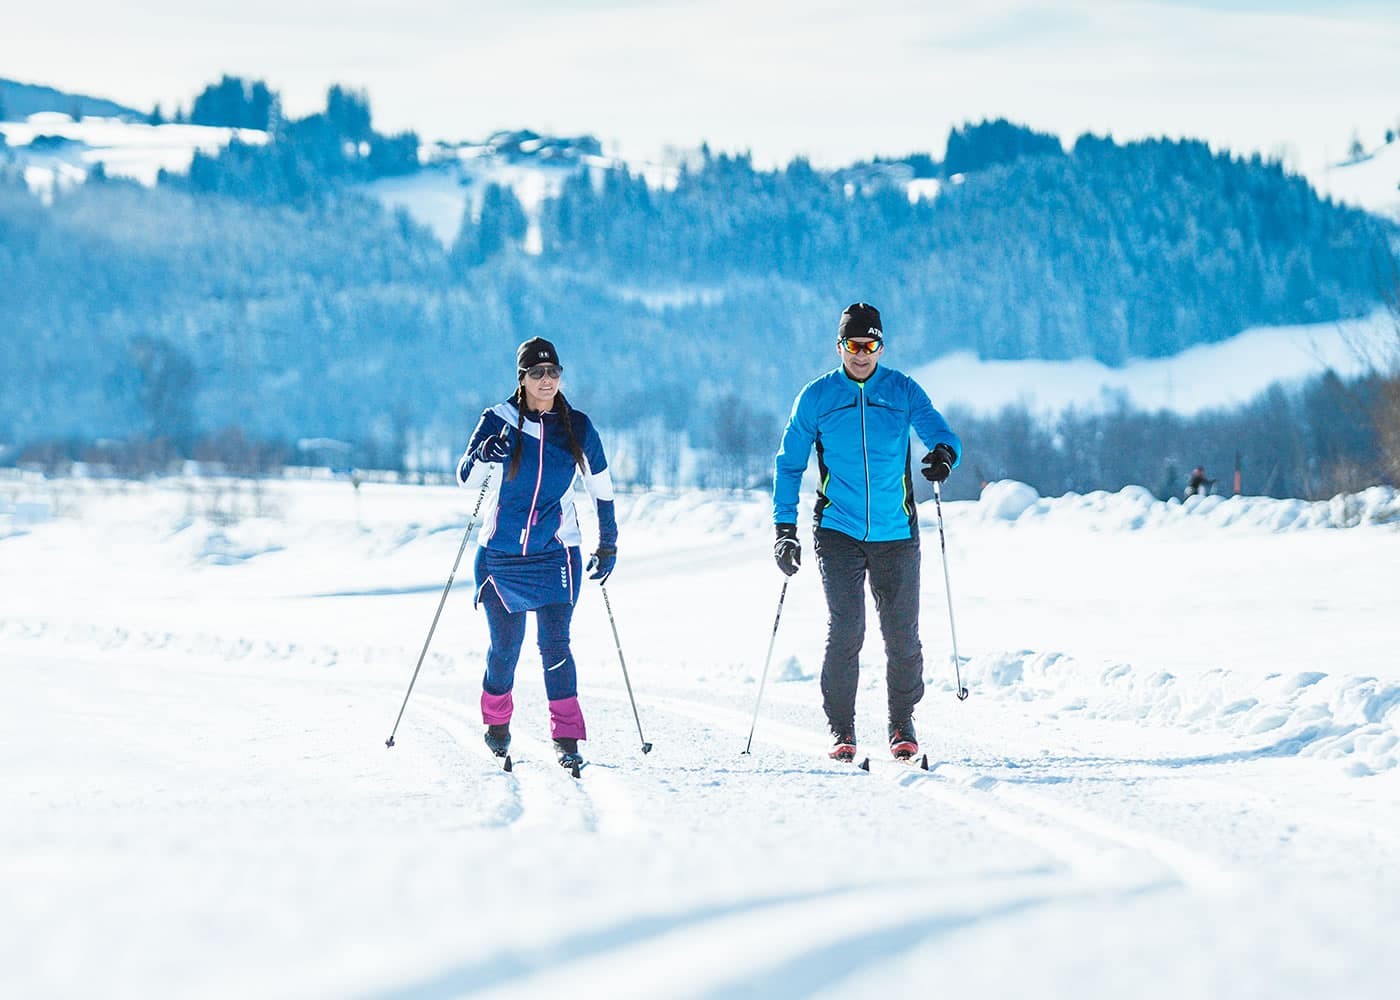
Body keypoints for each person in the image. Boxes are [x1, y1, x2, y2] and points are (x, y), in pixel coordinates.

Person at [772, 303, 962, 762]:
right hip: (838, 528)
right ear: (840, 346)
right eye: (854, 345)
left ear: (881, 346)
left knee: (902, 636)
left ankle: (901, 722)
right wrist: (784, 527)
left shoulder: (902, 390)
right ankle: (842, 728)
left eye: (870, 344)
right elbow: (789, 463)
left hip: (896, 530)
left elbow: (943, 434)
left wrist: (942, 456)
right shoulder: (816, 397)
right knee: (847, 629)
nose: (862, 354)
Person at [456, 337, 617, 770]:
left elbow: (601, 487)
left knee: (556, 646)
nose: (547, 380)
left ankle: (567, 738)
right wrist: (485, 455)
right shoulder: (499, 420)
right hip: (501, 555)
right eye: (537, 373)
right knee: (504, 649)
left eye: (554, 372)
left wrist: (608, 542)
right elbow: (466, 480)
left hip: (555, 552)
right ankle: (496, 725)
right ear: (522, 379)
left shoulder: (577, 427)